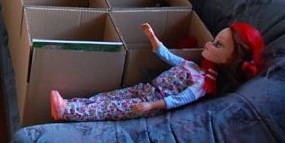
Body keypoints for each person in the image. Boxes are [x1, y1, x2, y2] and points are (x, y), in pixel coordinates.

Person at [50, 21, 265, 122]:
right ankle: (69, 104)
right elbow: (169, 57)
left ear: (230, 60)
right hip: (145, 88)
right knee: (107, 97)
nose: (209, 44)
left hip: (151, 102)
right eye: (214, 40)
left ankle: (67, 112)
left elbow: (179, 99)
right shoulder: (192, 67)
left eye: (218, 45)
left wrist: (151, 105)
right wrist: (153, 38)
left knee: (112, 109)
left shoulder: (201, 84)